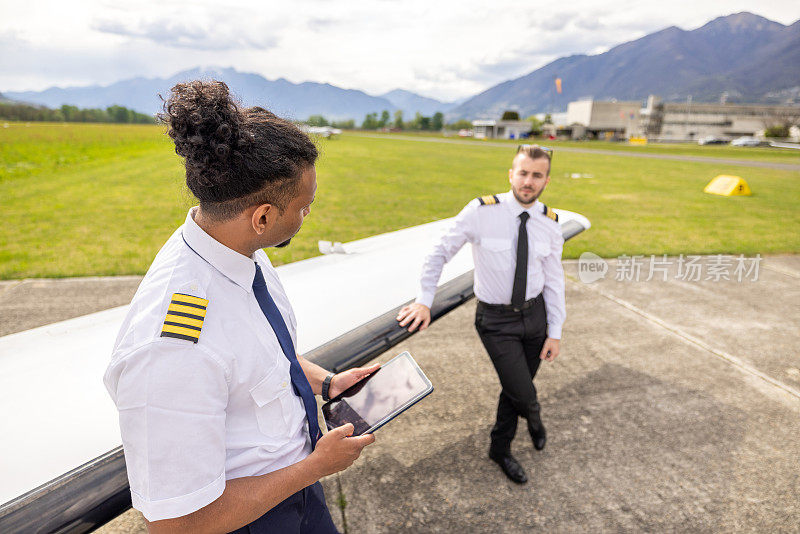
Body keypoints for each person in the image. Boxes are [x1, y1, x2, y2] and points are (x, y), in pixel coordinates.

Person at [104, 80, 378, 533]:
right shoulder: (174, 348)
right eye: (304, 208)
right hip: (250, 519)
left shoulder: (236, 250)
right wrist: (314, 468)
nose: (307, 216)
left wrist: (326, 383)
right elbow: (178, 525)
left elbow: (259, 360)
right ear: (264, 217)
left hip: (292, 487)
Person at [396, 145, 565, 484]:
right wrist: (424, 300)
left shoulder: (550, 222)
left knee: (515, 387)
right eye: (523, 172)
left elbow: (554, 278)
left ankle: (499, 448)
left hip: (536, 317)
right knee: (525, 394)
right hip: (496, 322)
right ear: (511, 174)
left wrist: (555, 329)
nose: (528, 181)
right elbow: (438, 253)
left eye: (536, 175)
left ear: (546, 179)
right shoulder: (481, 211)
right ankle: (533, 419)